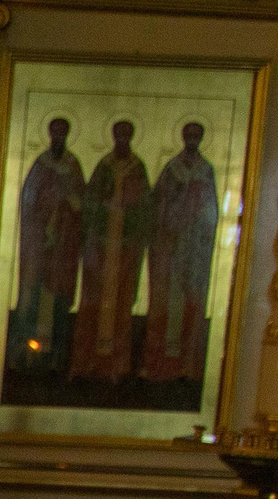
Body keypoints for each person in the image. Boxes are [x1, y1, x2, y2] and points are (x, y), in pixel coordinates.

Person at [74, 117, 152, 384]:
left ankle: (116, 365)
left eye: (126, 135)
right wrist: (104, 207)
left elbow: (144, 208)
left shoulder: (137, 169)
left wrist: (129, 216)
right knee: (95, 300)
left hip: (125, 247)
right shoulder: (104, 167)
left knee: (120, 302)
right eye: (118, 135)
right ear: (113, 136)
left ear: (131, 138)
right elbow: (90, 200)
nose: (122, 140)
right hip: (102, 245)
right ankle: (87, 362)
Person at [144, 120, 220, 385]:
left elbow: (211, 213)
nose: (191, 140)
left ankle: (187, 366)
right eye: (188, 135)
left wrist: (195, 219)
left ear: (200, 139)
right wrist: (172, 206)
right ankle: (160, 364)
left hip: (194, 249)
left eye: (196, 136)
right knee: (167, 301)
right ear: (182, 137)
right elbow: (157, 206)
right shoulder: (172, 169)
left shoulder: (205, 171)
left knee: (190, 302)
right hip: (171, 247)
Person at [14, 116, 86, 367]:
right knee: (34, 292)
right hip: (39, 244)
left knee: (58, 297)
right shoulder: (41, 165)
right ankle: (28, 350)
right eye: (54, 132)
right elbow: (29, 201)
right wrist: (46, 208)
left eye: (62, 133)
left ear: (66, 135)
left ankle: (55, 354)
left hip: (63, 247)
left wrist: (67, 199)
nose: (58, 137)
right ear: (49, 134)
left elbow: (81, 206)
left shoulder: (73, 166)